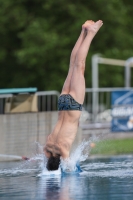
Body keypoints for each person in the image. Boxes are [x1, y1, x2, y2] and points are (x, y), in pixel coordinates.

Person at [44, 20, 103, 170]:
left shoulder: (63, 151)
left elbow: (69, 165)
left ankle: (91, 33)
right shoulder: (48, 146)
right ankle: (83, 31)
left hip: (73, 107)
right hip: (63, 102)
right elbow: (46, 156)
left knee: (80, 65)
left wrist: (68, 167)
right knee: (72, 65)